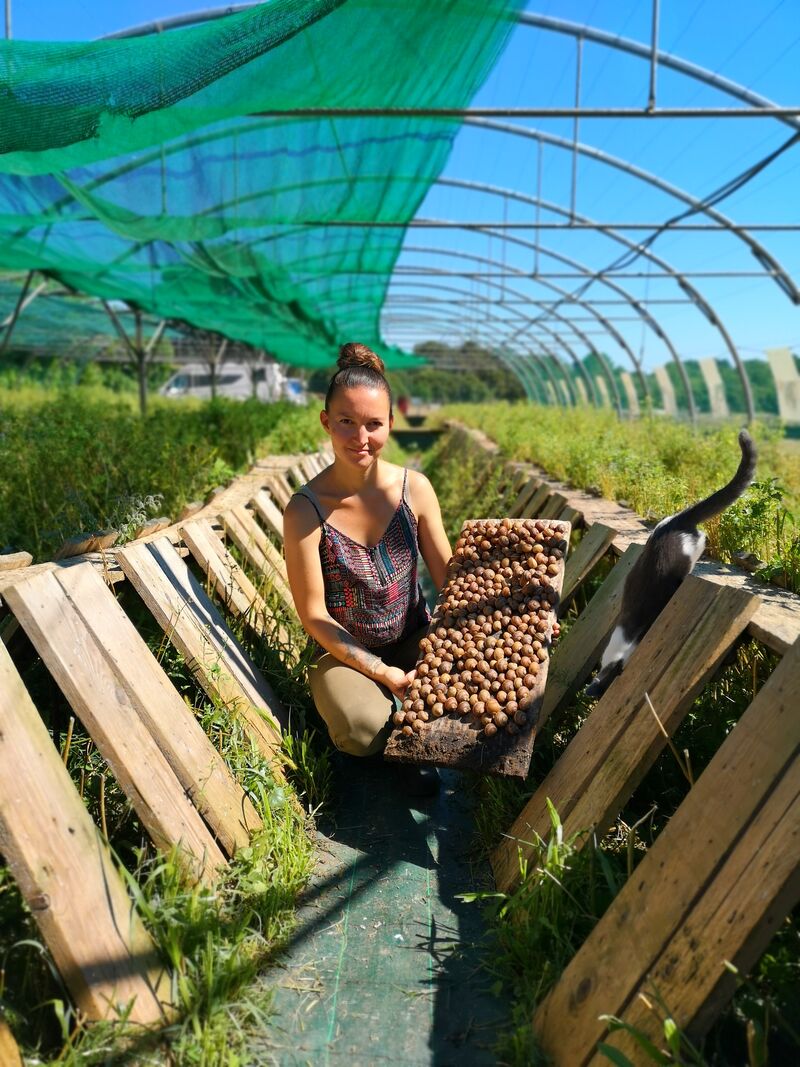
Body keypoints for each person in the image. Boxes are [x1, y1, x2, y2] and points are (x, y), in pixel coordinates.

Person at [283, 342, 452, 793]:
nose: (361, 438)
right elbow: (314, 615)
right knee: (360, 731)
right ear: (326, 422)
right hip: (344, 654)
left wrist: (518, 627)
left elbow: (451, 582)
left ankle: (412, 733)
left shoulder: (414, 488)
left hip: (413, 637)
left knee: (472, 674)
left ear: (391, 424)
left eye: (374, 424)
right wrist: (382, 673)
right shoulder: (306, 509)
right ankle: (390, 735)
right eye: (347, 422)